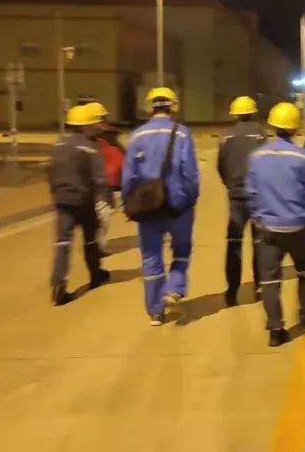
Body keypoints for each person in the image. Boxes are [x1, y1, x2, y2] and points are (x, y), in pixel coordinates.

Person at [122, 87, 200, 326]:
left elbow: (129, 176)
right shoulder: (182, 134)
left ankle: (155, 312)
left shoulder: (137, 136)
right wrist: (191, 198)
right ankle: (174, 288)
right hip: (178, 205)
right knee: (182, 249)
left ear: (149, 107)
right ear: (173, 106)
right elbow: (190, 174)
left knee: (151, 255)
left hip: (147, 206)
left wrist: (129, 203)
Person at [246, 102, 305, 347]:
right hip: (299, 227)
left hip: (268, 228)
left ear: (271, 125)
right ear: (295, 128)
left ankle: (276, 330)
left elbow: (251, 193)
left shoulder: (256, 157)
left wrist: (258, 217)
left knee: (270, 281)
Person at [47, 104, 111, 305]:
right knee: (90, 238)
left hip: (61, 199)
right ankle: (96, 274)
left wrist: (56, 191)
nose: (98, 126)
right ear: (86, 126)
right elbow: (99, 177)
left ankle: (59, 284)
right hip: (84, 200)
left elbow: (50, 170)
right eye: (95, 123)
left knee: (63, 242)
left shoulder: (59, 144)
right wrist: (106, 197)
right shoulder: (91, 146)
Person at [217, 95, 267, 306]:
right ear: (253, 112)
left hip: (236, 197)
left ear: (235, 114)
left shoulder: (226, 136)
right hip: (257, 196)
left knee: (234, 243)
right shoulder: (260, 133)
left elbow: (221, 166)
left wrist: (231, 185)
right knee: (259, 242)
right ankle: (259, 285)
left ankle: (232, 290)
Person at [85, 101, 124, 252]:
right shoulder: (108, 136)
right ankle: (96, 246)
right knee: (102, 216)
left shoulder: (106, 136)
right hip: (105, 183)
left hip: (101, 183)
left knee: (101, 216)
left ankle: (96, 246)